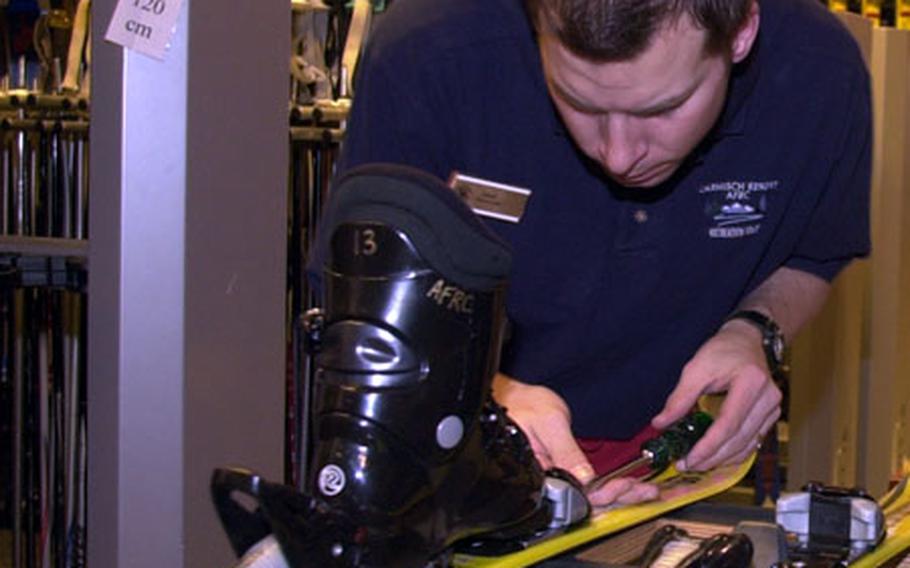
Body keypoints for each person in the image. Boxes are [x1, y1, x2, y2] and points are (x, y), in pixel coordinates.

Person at [327, 0, 872, 507]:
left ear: (741, 32)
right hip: (436, 445)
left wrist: (753, 332)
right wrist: (487, 396)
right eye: (580, 102)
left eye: (663, 109)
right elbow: (355, 298)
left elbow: (813, 255)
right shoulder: (427, 50)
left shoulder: (821, 73)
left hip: (652, 467)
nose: (618, 155)